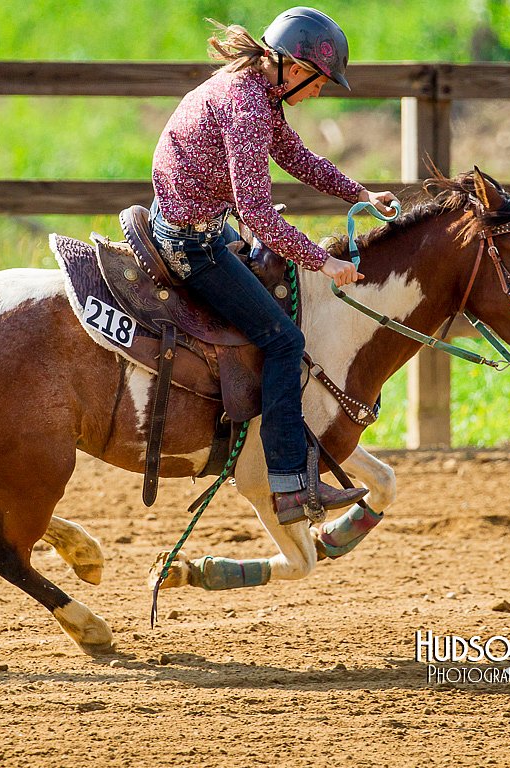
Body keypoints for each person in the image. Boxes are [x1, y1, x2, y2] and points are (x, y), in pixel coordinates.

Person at [149, 7, 399, 526]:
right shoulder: (247, 105)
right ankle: (289, 484)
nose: (318, 94)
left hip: (201, 227)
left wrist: (360, 193)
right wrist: (324, 262)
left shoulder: (255, 90)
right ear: (291, 67)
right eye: (320, 82)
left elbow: (299, 158)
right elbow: (260, 217)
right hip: (192, 244)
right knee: (285, 340)